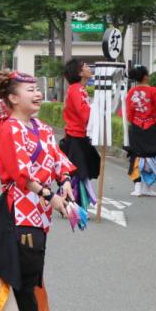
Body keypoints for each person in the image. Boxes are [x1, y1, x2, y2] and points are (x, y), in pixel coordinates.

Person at [0, 70, 76, 311]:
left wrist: (66, 183)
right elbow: (19, 173)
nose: (37, 93)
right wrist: (51, 196)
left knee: (16, 270)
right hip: (19, 211)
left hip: (39, 212)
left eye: (37, 89)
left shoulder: (42, 128)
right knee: (26, 273)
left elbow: (59, 160)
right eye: (30, 89)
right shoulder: (8, 129)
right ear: (12, 98)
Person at [125, 65, 156, 197]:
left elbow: (129, 115)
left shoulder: (131, 93)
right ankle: (147, 187)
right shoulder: (154, 92)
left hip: (136, 128)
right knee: (154, 155)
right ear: (146, 77)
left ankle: (138, 187)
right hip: (151, 128)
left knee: (136, 156)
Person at [58, 59, 100, 210]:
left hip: (80, 136)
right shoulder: (76, 89)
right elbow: (84, 114)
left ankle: (75, 203)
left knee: (83, 170)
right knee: (78, 172)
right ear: (80, 72)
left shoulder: (80, 88)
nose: (89, 68)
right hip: (75, 136)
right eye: (86, 66)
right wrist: (98, 110)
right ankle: (74, 204)